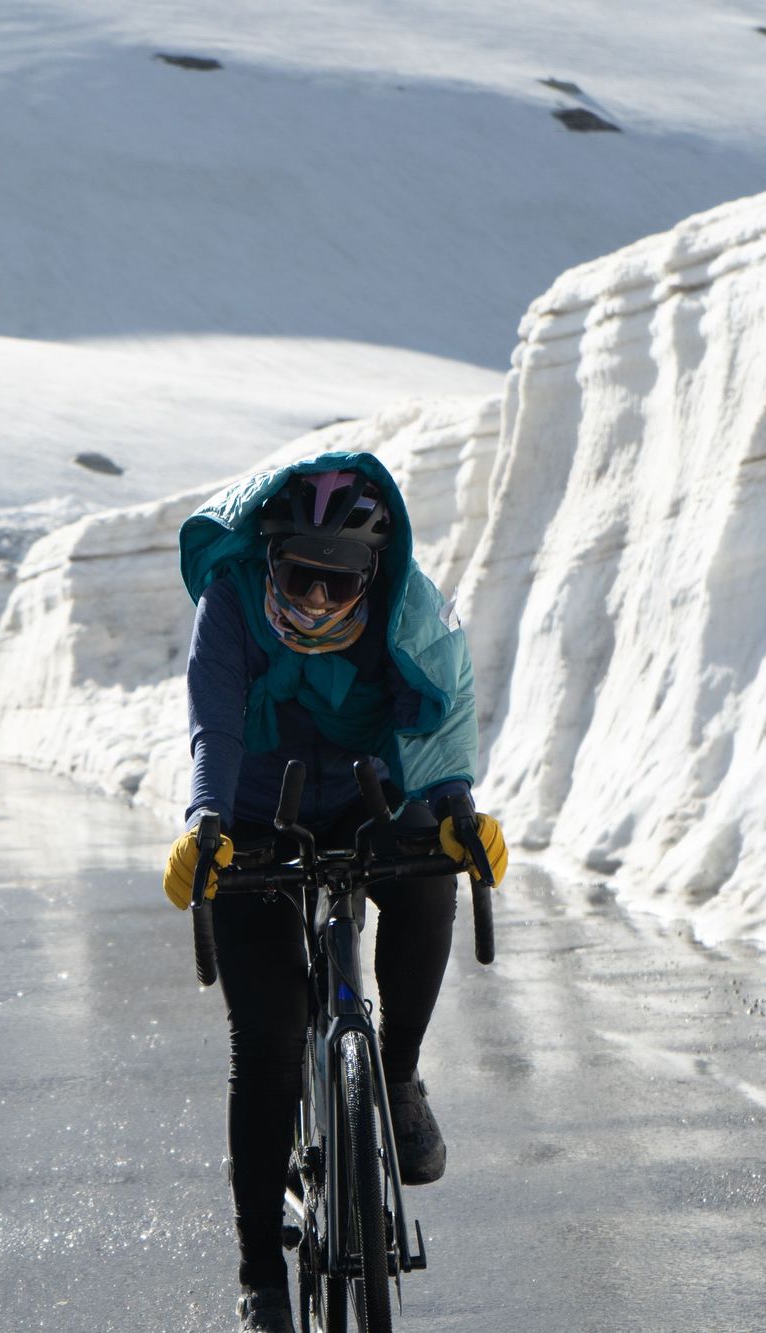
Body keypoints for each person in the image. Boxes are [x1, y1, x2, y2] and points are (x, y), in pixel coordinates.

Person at [161, 453, 509, 1333]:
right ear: (268, 559)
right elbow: (215, 721)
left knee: (430, 884)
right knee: (270, 1040)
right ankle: (260, 1279)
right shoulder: (234, 602)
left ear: (371, 576)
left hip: (371, 797)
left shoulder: (409, 610)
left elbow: (442, 727)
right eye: (300, 577)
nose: (316, 601)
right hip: (252, 812)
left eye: (337, 582)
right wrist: (208, 822)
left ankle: (393, 1077)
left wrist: (457, 810)